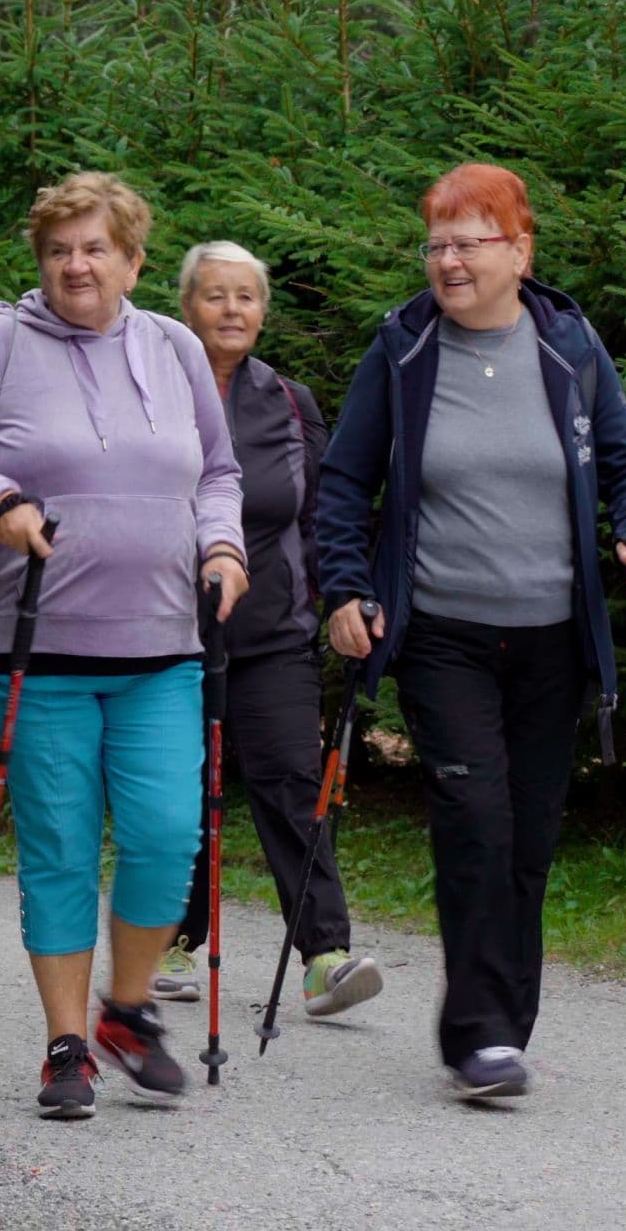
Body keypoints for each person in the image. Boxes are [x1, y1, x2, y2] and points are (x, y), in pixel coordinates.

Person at [316, 163, 626, 1101]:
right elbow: (345, 482)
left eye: (468, 243)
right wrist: (346, 588)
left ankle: (504, 1028)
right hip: (442, 633)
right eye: (435, 244)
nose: (447, 261)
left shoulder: (571, 346)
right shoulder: (401, 350)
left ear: (520, 250)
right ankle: (477, 1036)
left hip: (553, 639)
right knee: (475, 822)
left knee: (528, 841)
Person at [0, 172, 247, 1118]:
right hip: (36, 644)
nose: (76, 265)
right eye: (60, 250)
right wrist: (0, 503)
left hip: (162, 641)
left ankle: (129, 1011)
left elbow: (218, 472)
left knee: (163, 838)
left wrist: (222, 546)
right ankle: (66, 1043)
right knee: (61, 846)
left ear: (134, 260)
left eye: (95, 248)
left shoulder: (176, 346)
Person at [157, 241, 386, 1020]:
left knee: (293, 782)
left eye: (246, 297)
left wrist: (337, 598)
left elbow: (321, 513)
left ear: (263, 310)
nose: (231, 311)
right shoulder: (151, 391)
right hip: (163, 634)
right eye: (215, 296)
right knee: (177, 791)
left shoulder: (290, 402)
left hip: (272, 632)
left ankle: (324, 956)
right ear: (186, 305)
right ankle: (167, 940)